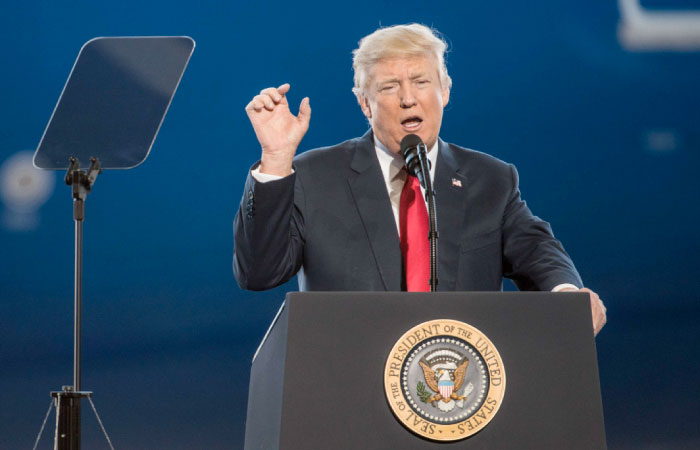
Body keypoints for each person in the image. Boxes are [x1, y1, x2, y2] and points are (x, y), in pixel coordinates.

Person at [234, 24, 606, 335]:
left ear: (444, 91)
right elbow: (260, 273)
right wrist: (277, 159)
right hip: (346, 388)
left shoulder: (489, 179)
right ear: (365, 103)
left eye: (420, 81)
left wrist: (567, 293)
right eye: (390, 87)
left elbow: (536, 250)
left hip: (463, 391)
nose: (408, 98)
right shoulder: (314, 176)